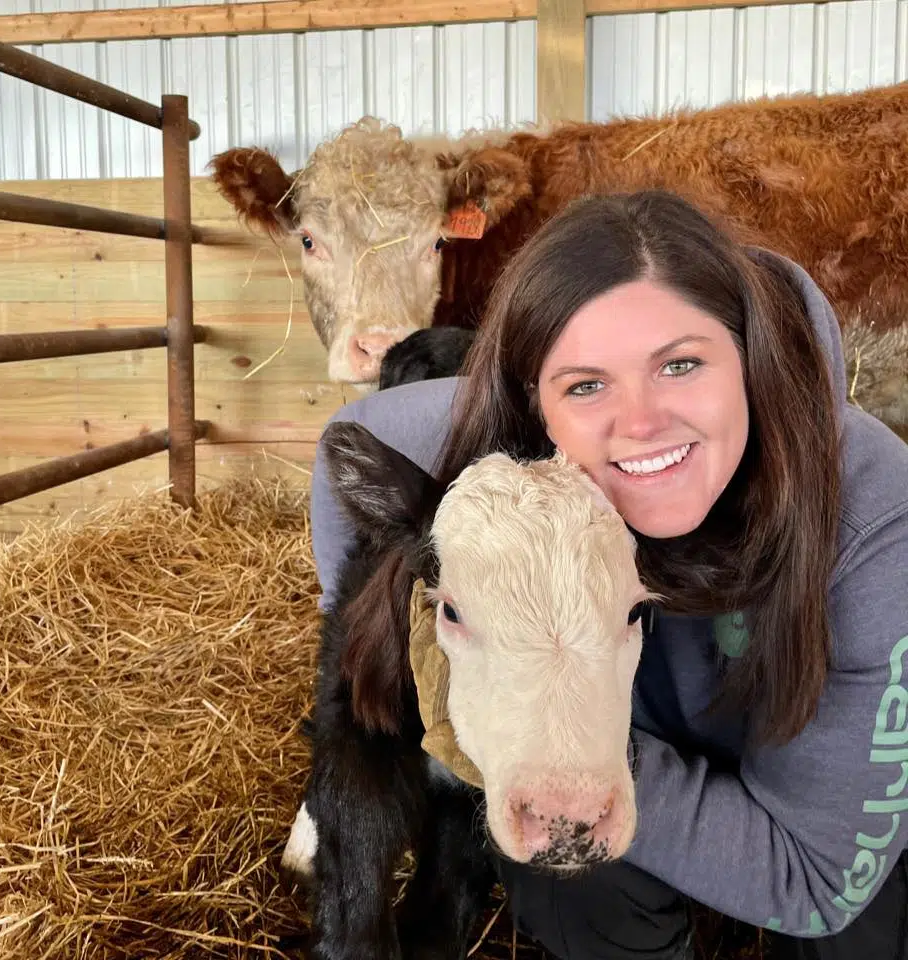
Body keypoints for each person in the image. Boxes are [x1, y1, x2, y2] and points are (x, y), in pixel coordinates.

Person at [307, 190, 908, 959]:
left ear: (749, 360)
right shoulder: (511, 444)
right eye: (586, 384)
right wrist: (414, 620)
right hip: (627, 748)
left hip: (814, 801)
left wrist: (569, 749)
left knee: (857, 930)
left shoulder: (875, 521)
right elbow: (351, 439)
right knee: (565, 882)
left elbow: (819, 881)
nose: (642, 424)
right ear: (536, 403)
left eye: (681, 364)